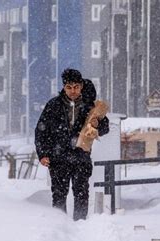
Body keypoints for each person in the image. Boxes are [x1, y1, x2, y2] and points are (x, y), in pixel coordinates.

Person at [35, 69, 109, 221]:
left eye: (76, 87)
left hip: (81, 157)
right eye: (69, 87)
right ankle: (59, 224)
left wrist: (98, 123)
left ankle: (80, 224)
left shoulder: (90, 106)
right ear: (64, 87)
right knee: (59, 194)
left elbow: (105, 127)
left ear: (81, 86)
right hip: (58, 158)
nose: (73, 91)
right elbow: (41, 131)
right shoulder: (53, 105)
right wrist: (42, 154)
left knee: (81, 193)